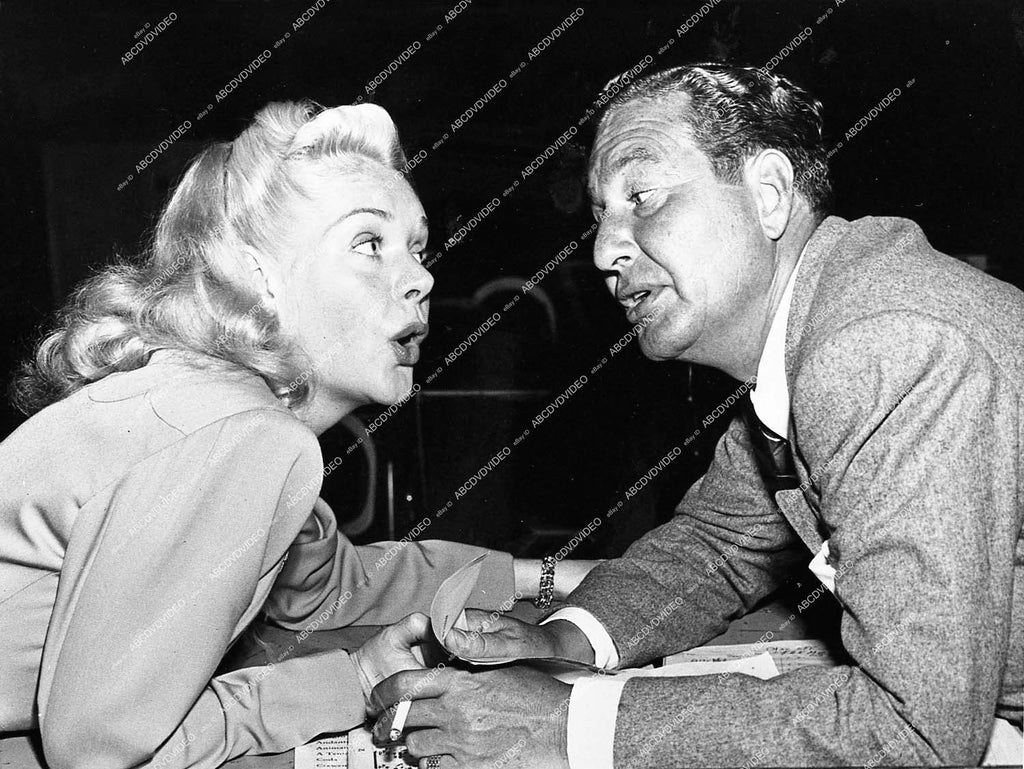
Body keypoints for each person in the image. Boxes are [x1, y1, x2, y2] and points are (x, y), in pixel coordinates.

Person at [369, 64, 1024, 767]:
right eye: (600, 218)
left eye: (642, 197)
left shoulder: (882, 345)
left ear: (768, 195)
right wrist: (564, 640)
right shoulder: (826, 324)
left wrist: (564, 724)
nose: (604, 252)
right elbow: (720, 540)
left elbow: (915, 730)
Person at [0, 100, 593, 768]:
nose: (421, 278)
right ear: (260, 275)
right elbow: (100, 752)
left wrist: (552, 577)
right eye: (368, 243)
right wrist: (351, 681)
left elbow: (335, 581)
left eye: (417, 249)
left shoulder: (219, 402)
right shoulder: (237, 433)